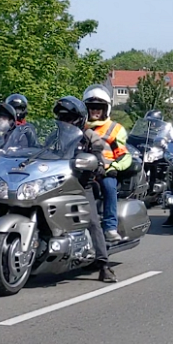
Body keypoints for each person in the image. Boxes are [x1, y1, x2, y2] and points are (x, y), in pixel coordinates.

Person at [53, 96, 117, 283]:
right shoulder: (53, 137)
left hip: (81, 185)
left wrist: (97, 164)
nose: (65, 122)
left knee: (92, 221)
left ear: (79, 119)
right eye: (62, 118)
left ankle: (104, 265)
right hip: (57, 182)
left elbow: (98, 155)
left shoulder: (89, 136)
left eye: (69, 118)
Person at [82, 84, 132, 242]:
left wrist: (113, 167)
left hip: (104, 172)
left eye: (99, 107)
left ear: (105, 109)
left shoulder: (114, 129)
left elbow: (124, 155)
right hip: (82, 171)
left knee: (109, 187)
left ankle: (110, 227)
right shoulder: (79, 127)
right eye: (92, 107)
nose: (95, 111)